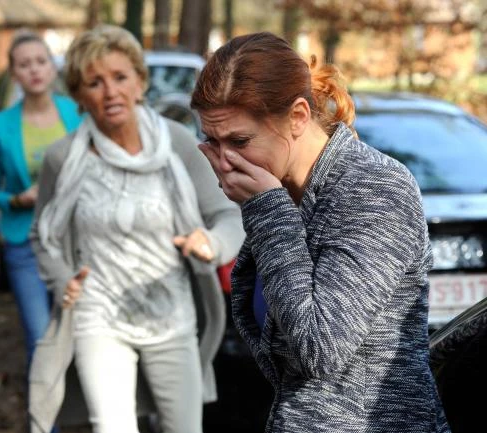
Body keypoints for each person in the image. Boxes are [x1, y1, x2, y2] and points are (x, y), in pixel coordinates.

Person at [192, 32, 450, 433]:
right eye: (212, 140)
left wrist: (266, 210)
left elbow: (319, 348)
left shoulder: (374, 188)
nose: (225, 163)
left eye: (239, 141)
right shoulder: (283, 190)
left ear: (297, 116)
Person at [28, 25, 244, 433]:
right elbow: (43, 233)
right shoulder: (63, 158)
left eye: (120, 77)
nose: (110, 92)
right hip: (98, 318)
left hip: (171, 315)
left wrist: (211, 242)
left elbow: (229, 217)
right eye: (95, 82)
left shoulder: (178, 144)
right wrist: (61, 280)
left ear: (140, 82)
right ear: (78, 95)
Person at [0, 31, 82, 388]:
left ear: (52, 67)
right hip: (23, 243)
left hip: (74, 242)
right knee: (40, 338)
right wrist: (15, 199)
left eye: (41, 61)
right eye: (24, 65)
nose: (34, 70)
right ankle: (42, 415)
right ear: (14, 74)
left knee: (81, 336)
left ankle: (80, 411)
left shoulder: (77, 113)